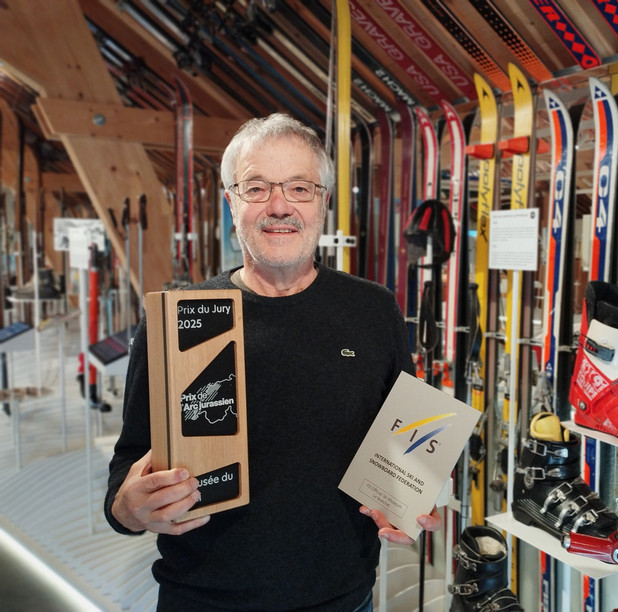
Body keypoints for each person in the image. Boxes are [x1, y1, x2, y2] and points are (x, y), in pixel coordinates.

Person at [105, 113, 441, 611]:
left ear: (323, 201)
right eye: (257, 188)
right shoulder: (176, 319)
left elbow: (406, 440)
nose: (279, 206)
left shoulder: (373, 310)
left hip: (343, 600)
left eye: (300, 188)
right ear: (231, 202)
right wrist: (128, 508)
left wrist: (415, 495)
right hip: (203, 602)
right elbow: (129, 464)